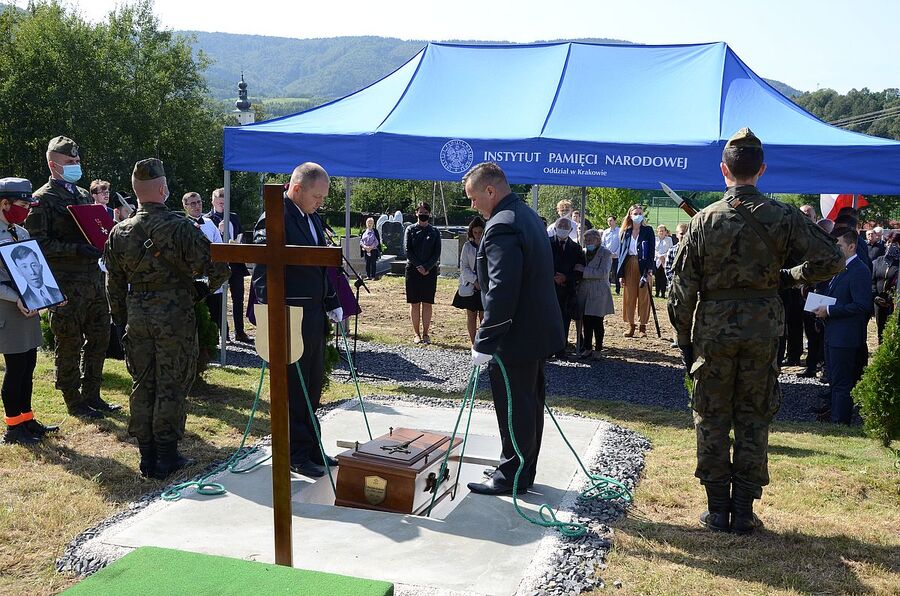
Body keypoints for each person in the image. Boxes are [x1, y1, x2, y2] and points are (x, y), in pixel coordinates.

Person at [669, 128, 843, 534]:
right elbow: (832, 259)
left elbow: (681, 290)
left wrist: (684, 340)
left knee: (711, 415)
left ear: (723, 170)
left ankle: (717, 510)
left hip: (713, 330)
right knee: (754, 414)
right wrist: (788, 277)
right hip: (764, 328)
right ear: (761, 170)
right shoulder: (783, 216)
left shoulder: (704, 220)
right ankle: (744, 510)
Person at [105, 159, 229, 479]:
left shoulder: (119, 231)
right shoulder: (180, 226)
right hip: (174, 315)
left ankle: (146, 455)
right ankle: (166, 454)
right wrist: (202, 291)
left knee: (143, 381)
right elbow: (218, 267)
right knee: (171, 381)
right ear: (162, 189)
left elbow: (113, 285)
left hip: (136, 314)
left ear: (135, 191)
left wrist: (120, 321)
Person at [464, 162, 565, 495]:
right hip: (534, 331)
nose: (473, 205)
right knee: (528, 404)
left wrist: (485, 340)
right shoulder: (526, 215)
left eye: (474, 198)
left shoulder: (501, 226)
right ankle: (523, 470)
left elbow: (502, 289)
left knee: (514, 407)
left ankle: (511, 475)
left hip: (515, 335)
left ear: (490, 190)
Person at [251, 162, 343, 478]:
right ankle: (295, 453)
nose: (321, 202)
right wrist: (271, 313)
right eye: (317, 196)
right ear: (297, 188)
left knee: (312, 384)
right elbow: (264, 266)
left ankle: (311, 446)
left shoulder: (311, 217)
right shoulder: (276, 216)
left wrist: (332, 300)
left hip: (313, 315)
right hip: (289, 316)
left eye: (323, 197)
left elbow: (318, 266)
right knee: (294, 388)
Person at [24, 136, 116, 419]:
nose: (76, 165)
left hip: (93, 280)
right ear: (54, 165)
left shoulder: (84, 195)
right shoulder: (41, 200)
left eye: (77, 160)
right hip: (66, 283)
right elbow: (38, 244)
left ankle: (92, 394)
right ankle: (73, 399)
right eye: (70, 162)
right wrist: (76, 249)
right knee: (69, 342)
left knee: (100, 336)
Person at [1, 178, 59, 445]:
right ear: (5, 204)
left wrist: (50, 296)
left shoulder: (21, 232)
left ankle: (27, 419)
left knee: (28, 366)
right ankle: (13, 428)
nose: (26, 211)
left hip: (29, 309)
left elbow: (36, 270)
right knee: (15, 369)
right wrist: (17, 299)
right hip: (8, 309)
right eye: (23, 206)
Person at [813, 229, 873, 424]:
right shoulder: (842, 268)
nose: (835, 249)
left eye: (838, 246)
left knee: (842, 381)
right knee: (834, 379)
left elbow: (862, 305)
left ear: (851, 246)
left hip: (845, 336)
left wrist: (829, 310)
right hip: (833, 333)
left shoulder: (859, 270)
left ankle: (840, 421)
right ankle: (834, 415)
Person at [206, 188, 251, 344]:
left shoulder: (234, 217)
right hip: (219, 265)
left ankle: (240, 332)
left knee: (238, 299)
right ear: (213, 202)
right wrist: (220, 231)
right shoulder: (208, 220)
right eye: (220, 203)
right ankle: (223, 333)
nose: (222, 206)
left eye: (225, 203)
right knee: (219, 299)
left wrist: (240, 242)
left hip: (236, 264)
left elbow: (241, 234)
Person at [183, 192, 225, 331]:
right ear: (185, 206)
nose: (197, 206)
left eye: (199, 202)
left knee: (214, 316)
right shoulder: (182, 225)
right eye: (193, 203)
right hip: (193, 278)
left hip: (211, 276)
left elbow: (219, 246)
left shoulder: (209, 223)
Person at [404, 202, 441, 344]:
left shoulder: (435, 231)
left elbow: (436, 252)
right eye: (420, 212)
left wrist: (427, 267)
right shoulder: (410, 229)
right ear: (416, 213)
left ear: (429, 214)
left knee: (427, 303)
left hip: (429, 271)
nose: (423, 215)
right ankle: (416, 334)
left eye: (425, 212)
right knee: (414, 303)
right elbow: (407, 250)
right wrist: (419, 266)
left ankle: (426, 333)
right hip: (413, 270)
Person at [617, 204, 655, 338]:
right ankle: (631, 325)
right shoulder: (625, 232)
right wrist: (621, 274)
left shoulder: (648, 230)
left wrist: (649, 269)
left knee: (644, 296)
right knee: (629, 296)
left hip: (644, 266)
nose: (638, 215)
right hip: (629, 265)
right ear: (630, 215)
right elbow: (622, 254)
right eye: (635, 213)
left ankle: (642, 326)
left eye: (640, 213)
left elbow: (651, 251)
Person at [577, 229, 615, 359]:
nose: (587, 243)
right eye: (586, 240)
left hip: (599, 292)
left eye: (590, 240)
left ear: (597, 240)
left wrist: (584, 270)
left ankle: (598, 349)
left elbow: (603, 273)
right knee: (586, 321)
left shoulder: (606, 253)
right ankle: (587, 348)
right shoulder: (583, 252)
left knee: (597, 322)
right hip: (585, 291)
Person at [550, 217, 584, 357]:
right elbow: (539, 264)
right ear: (555, 228)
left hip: (567, 291)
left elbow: (579, 271)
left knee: (564, 320)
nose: (563, 228)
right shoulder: (545, 244)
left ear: (570, 230)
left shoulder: (576, 248)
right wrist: (553, 276)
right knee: (548, 319)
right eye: (560, 226)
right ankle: (547, 349)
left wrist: (566, 277)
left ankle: (560, 349)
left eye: (566, 227)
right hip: (548, 289)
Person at [451, 216, 485, 344]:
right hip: (471, 285)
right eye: (475, 232)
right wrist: (475, 281)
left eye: (480, 232)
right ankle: (473, 343)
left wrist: (483, 282)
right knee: (471, 316)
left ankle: (483, 343)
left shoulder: (488, 246)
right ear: (471, 232)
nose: (478, 235)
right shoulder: (467, 246)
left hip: (484, 285)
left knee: (484, 316)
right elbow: (464, 267)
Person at [9, 244, 64, 309]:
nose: (32, 272)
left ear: (41, 267)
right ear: (19, 271)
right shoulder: (25, 301)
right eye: (24, 267)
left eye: (34, 265)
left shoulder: (58, 292)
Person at [871, 231, 898, 344]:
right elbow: (873, 280)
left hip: (894, 304)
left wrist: (892, 300)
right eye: (888, 242)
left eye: (894, 243)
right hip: (878, 302)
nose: (890, 245)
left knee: (893, 332)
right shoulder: (878, 261)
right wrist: (875, 296)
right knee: (881, 331)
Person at [602, 215, 621, 294]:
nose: (609, 222)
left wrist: (615, 253)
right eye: (608, 221)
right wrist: (607, 253)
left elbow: (621, 244)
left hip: (616, 256)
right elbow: (603, 243)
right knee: (607, 272)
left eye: (611, 220)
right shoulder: (606, 232)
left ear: (615, 221)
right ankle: (607, 288)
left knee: (616, 272)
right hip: (607, 256)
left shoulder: (620, 231)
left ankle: (617, 289)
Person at [654, 224, 672, 298]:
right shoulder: (655, 239)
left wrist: (664, 256)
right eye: (660, 231)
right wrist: (659, 256)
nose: (661, 232)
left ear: (665, 232)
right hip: (657, 260)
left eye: (663, 231)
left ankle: (663, 293)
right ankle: (657, 292)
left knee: (664, 278)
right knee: (657, 277)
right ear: (657, 232)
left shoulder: (669, 239)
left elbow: (671, 249)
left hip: (665, 260)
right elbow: (653, 249)